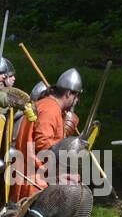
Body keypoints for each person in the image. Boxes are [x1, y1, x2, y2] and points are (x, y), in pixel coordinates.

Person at [11, 68, 81, 202]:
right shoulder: (50, 108)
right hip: (34, 179)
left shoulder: (48, 106)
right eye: (76, 96)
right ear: (68, 94)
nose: (76, 101)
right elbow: (43, 145)